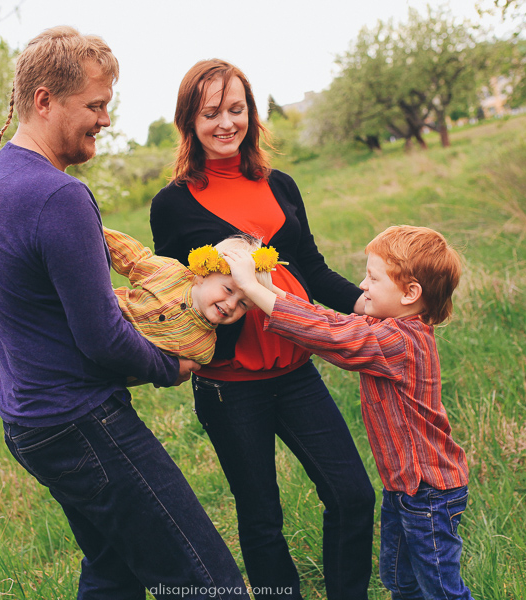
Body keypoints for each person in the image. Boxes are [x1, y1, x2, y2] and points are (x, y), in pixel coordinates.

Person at [0, 27, 250, 598]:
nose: (106, 120)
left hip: (30, 424)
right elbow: (101, 335)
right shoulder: (57, 196)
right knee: (207, 581)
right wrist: (168, 368)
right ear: (44, 100)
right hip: (80, 421)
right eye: (95, 106)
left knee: (113, 572)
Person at [150, 59, 376, 600]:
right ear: (189, 121)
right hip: (231, 386)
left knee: (352, 495)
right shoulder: (172, 205)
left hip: (298, 372)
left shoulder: (281, 184)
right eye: (211, 113)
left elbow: (314, 269)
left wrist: (372, 309)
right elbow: (173, 297)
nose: (226, 123)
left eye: (236, 109)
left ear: (251, 113)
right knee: (261, 519)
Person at [224, 225, 473, 600]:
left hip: (428, 492)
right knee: (401, 581)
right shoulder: (388, 325)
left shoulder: (400, 341)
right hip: (404, 487)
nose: (362, 284)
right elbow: (331, 323)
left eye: (373, 278)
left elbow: (333, 338)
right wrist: (269, 290)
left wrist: (255, 291)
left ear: (410, 294)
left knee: (440, 589)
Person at [0, 229, 278, 403]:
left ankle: (5, 376)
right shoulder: (169, 273)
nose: (232, 305)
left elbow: (149, 372)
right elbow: (133, 256)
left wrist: (158, 374)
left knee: (52, 358)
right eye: (229, 290)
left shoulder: (203, 348)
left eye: (244, 304)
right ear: (202, 272)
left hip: (103, 362)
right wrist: (85, 228)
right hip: (91, 315)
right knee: (36, 311)